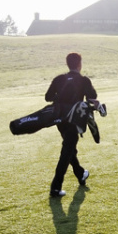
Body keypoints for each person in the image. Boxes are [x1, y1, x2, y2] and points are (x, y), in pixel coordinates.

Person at [45, 52, 99, 198]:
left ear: (67, 64)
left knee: (69, 148)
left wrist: (60, 98)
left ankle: (81, 174)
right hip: (74, 119)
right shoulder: (83, 80)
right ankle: (55, 188)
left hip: (60, 120)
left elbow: (47, 97)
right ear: (79, 64)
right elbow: (92, 97)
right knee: (67, 151)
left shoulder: (58, 79)